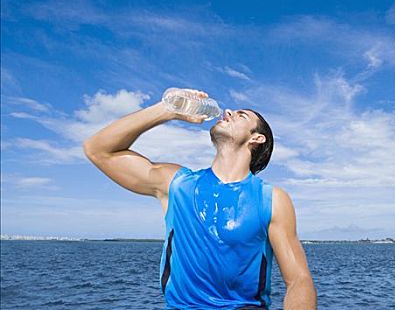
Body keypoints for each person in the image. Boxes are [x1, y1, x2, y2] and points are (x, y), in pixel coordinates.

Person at [83, 89, 317, 310]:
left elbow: (298, 280)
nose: (227, 113)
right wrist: (168, 109)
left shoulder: (272, 199)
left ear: (257, 138)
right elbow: (98, 149)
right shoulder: (176, 184)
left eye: (240, 115)